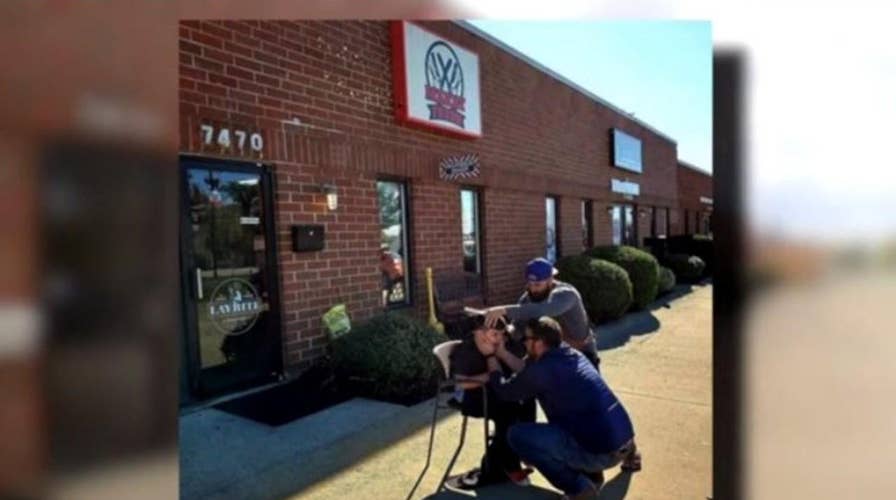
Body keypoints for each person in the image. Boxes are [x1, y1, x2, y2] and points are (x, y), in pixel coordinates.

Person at [484, 317, 641, 500]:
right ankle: (628, 457)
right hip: (625, 439)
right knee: (597, 413)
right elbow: (527, 371)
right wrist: (502, 353)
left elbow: (505, 391)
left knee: (517, 435)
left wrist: (490, 357)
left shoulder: (543, 370)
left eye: (526, 339)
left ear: (540, 343)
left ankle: (579, 489)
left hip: (601, 454)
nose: (523, 343)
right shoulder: (570, 354)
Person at [446, 314, 537, 490]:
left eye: (502, 334)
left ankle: (524, 450)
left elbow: (524, 370)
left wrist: (502, 353)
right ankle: (505, 466)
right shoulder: (467, 350)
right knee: (508, 410)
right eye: (495, 334)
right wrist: (491, 375)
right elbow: (461, 383)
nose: (500, 338)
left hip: (495, 392)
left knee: (527, 399)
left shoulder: (503, 343)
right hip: (471, 396)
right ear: (480, 334)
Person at [484, 257, 600, 369]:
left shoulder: (567, 294)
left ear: (550, 280)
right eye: (530, 284)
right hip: (550, 360)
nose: (533, 289)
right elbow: (518, 326)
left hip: (582, 357)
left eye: (538, 285)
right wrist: (506, 332)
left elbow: (545, 309)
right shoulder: (528, 298)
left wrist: (503, 310)